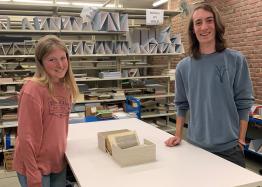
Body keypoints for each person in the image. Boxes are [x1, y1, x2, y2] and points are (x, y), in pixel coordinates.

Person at [165, 3, 254, 168]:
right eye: (198, 22)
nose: (204, 27)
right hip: (195, 147)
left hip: (230, 149)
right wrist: (178, 135)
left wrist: (241, 139)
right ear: (193, 29)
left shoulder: (236, 60)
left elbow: (244, 103)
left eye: (209, 20)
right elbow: (181, 104)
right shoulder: (183, 67)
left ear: (217, 24)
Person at [13, 35, 79, 187]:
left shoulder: (66, 87)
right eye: (52, 60)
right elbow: (26, 137)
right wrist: (32, 173)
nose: (60, 64)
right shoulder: (32, 90)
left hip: (57, 162)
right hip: (34, 166)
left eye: (63, 58)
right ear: (41, 63)